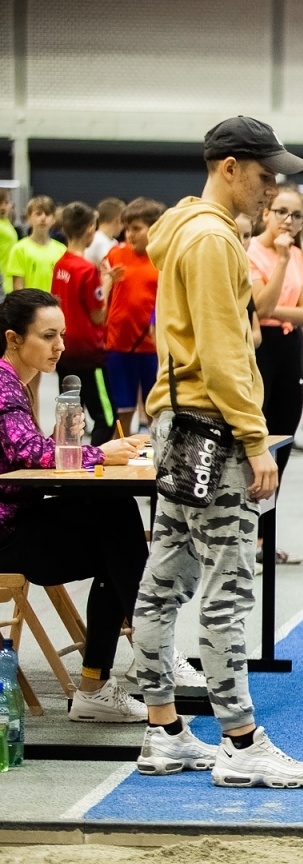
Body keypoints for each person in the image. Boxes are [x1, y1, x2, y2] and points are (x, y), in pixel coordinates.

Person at [134, 114, 303, 787]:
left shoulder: (184, 227)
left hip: (179, 423)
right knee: (227, 588)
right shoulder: (214, 239)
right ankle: (240, 743)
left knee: (163, 582)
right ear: (230, 167)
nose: (272, 189)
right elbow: (221, 353)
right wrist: (255, 438)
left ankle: (164, 732)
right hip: (213, 430)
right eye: (265, 174)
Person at [0, 289, 150, 722]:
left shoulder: (17, 383)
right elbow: (28, 454)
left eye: (61, 335)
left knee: (115, 527)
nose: (60, 346)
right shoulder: (3, 384)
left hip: (21, 520)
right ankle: (149, 651)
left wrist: (64, 441)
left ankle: (107, 678)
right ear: (13, 338)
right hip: (7, 535)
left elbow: (23, 453)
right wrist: (100, 453)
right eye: (48, 336)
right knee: (116, 531)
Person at [248, 185, 303, 481]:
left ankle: (271, 506)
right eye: (281, 212)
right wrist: (282, 261)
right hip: (262, 346)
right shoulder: (251, 251)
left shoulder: (297, 254)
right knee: (258, 427)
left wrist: (277, 310)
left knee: (285, 428)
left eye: (296, 215)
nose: (288, 220)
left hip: (290, 345)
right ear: (265, 214)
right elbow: (261, 308)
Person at [51, 202, 114, 444]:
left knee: (70, 417)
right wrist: (107, 282)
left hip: (64, 350)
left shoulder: (60, 265)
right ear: (90, 229)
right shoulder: (87, 270)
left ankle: (68, 464)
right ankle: (95, 462)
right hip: (89, 354)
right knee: (106, 418)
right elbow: (98, 315)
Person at [102, 198, 165, 433]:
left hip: (152, 347)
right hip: (118, 343)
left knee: (154, 409)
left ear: (154, 228)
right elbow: (101, 296)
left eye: (137, 228)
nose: (130, 234)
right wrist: (107, 281)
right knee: (123, 409)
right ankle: (120, 449)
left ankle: (156, 452)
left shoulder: (164, 258)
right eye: (127, 228)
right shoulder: (115, 254)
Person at [6, 196, 65, 293]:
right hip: (29, 302)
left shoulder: (62, 250)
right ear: (29, 218)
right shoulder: (20, 249)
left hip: (53, 302)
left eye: (47, 214)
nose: (43, 218)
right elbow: (18, 289)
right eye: (38, 214)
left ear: (54, 219)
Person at [85, 198, 125, 266]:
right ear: (118, 220)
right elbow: (115, 268)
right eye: (123, 221)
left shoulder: (113, 242)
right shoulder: (99, 241)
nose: (124, 227)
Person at [0, 191, 16, 293]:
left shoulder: (7, 223)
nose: (3, 207)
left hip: (9, 280)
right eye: (0, 203)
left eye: (6, 203)